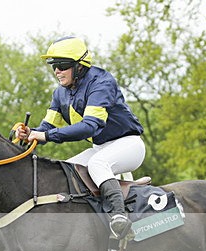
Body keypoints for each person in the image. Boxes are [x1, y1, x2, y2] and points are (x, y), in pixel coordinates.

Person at [16, 36, 146, 239]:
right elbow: (47, 126)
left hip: (129, 144)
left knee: (97, 164)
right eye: (53, 66)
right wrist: (29, 133)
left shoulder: (101, 82)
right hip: (100, 147)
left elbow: (89, 127)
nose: (57, 71)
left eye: (62, 65)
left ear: (79, 66)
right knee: (64, 170)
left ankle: (119, 217)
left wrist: (45, 136)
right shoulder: (60, 93)